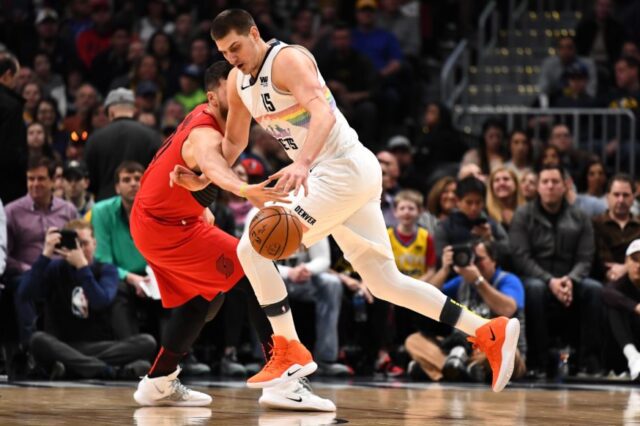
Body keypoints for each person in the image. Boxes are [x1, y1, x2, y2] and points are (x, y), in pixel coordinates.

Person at [208, 9, 521, 393]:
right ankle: (488, 329)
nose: (232, 57)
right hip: (341, 176)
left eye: (236, 47)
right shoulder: (239, 82)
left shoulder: (288, 59)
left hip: (339, 168)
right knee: (385, 283)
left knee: (253, 248)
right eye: (224, 53)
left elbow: (322, 111)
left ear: (254, 34)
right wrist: (204, 170)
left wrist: (302, 162)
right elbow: (234, 142)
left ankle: (289, 350)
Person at [130, 61, 335, 411]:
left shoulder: (222, 121)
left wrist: (199, 204)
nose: (243, 92)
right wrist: (244, 189)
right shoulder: (204, 130)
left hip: (168, 221)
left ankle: (158, 382)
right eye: (234, 87)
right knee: (253, 272)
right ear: (212, 97)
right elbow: (211, 163)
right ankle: (283, 380)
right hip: (164, 227)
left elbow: (201, 171)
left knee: (202, 300)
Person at [18, 219, 156, 380]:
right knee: (37, 340)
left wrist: (82, 268)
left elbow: (100, 301)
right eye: (74, 244)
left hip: (100, 346)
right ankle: (110, 370)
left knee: (147, 342)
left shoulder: (107, 270)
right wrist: (45, 255)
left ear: (95, 243)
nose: (80, 250)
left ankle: (74, 368)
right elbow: (25, 293)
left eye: (84, 243)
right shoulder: (53, 268)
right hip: (62, 344)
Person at [509, 165, 602, 377]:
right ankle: (538, 363)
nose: (550, 186)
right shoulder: (523, 215)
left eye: (555, 182)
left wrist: (570, 280)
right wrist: (550, 280)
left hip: (571, 281)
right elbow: (521, 257)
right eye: (545, 182)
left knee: (594, 289)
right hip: (537, 278)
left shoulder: (580, 217)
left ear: (565, 186)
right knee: (533, 289)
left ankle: (589, 364)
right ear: (538, 187)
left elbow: (586, 258)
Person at [405, 240, 527, 383]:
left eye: (479, 259)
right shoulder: (462, 281)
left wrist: (479, 281)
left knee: (510, 355)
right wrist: (444, 270)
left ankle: (439, 369)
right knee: (414, 341)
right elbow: (424, 298)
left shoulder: (509, 280)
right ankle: (462, 369)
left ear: (494, 260)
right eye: (471, 259)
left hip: (493, 352)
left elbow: (507, 309)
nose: (474, 264)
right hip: (460, 349)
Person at [84, 88, 162, 201]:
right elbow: (158, 176)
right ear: (135, 111)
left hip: (105, 206)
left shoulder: (95, 139)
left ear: (110, 112)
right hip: (142, 205)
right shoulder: (152, 136)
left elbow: (90, 180)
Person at [603, 239, 640, 381]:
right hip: (622, 347)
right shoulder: (619, 285)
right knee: (615, 308)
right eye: (635, 260)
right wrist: (635, 306)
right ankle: (633, 357)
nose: (638, 265)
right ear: (626, 261)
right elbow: (606, 293)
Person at [592, 174, 640, 282]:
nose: (621, 200)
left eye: (626, 195)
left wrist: (626, 268)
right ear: (608, 197)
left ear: (633, 198)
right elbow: (598, 258)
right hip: (605, 279)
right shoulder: (595, 224)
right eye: (616, 195)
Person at [0, 53, 28, 204]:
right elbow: (10, 151)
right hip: (7, 186)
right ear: (8, 75)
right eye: (16, 77)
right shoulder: (11, 106)